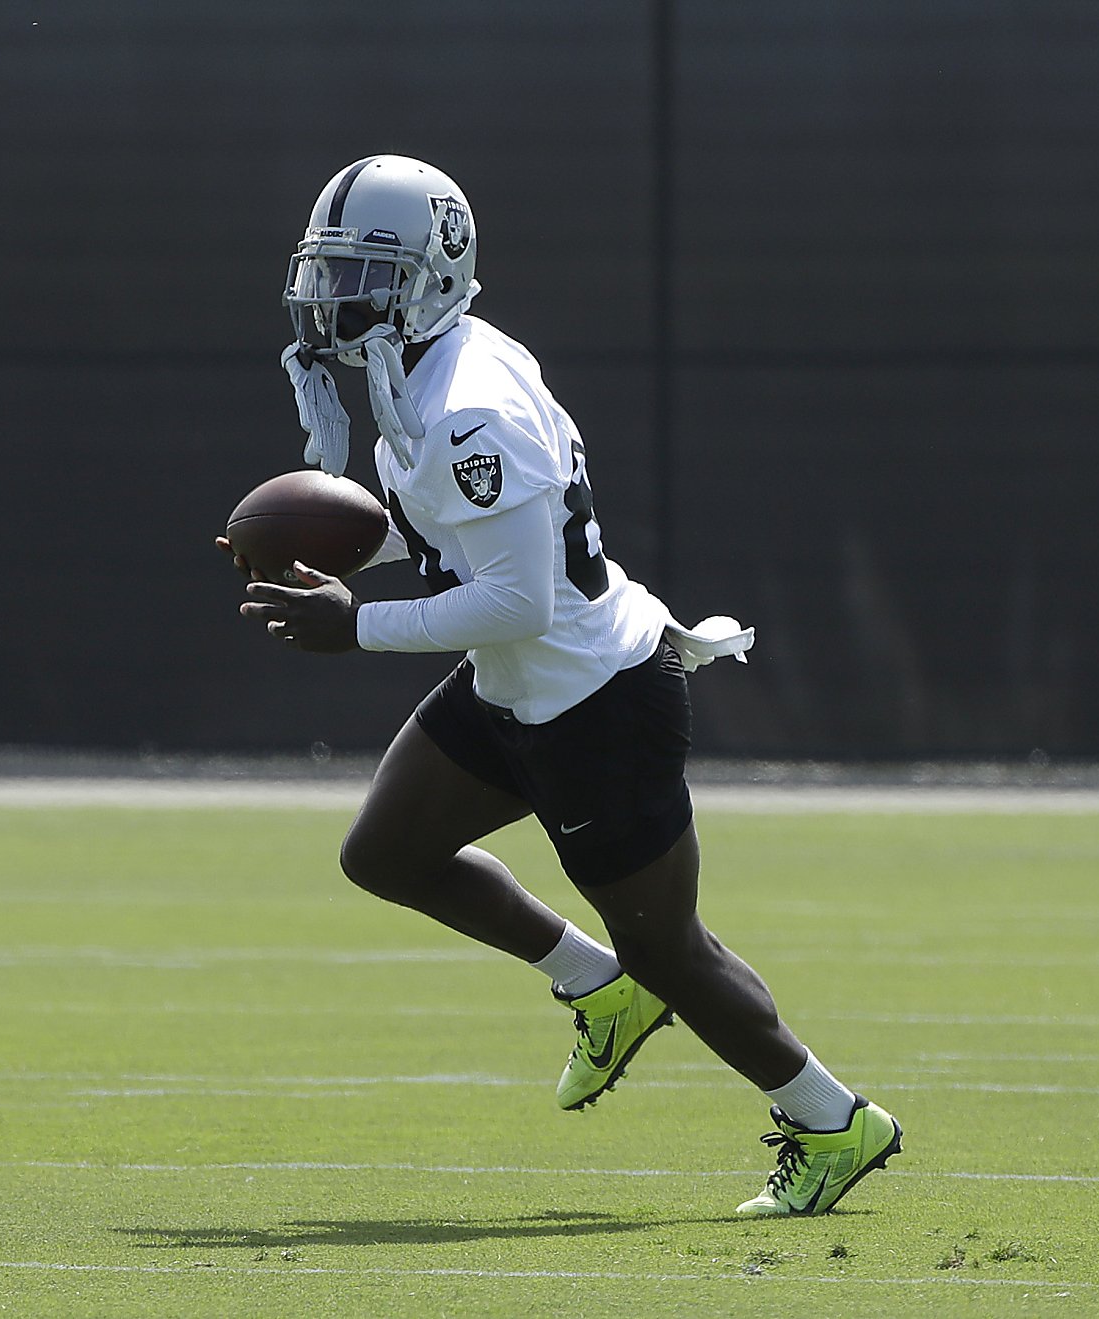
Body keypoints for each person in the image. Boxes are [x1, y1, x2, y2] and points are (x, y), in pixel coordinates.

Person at [219, 155, 900, 1216]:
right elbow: (450, 536)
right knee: (386, 852)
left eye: (361, 270)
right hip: (520, 685)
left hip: (597, 699)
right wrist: (345, 564)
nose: (331, 296)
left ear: (433, 271)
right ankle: (598, 984)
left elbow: (519, 599)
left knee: (670, 947)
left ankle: (831, 1117)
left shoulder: (464, 405)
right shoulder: (433, 362)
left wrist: (354, 625)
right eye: (327, 268)